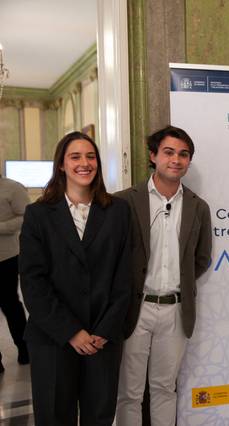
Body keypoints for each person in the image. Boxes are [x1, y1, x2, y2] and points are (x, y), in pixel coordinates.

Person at [19, 132, 131, 425]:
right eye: (75, 157)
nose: (85, 163)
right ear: (61, 165)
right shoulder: (38, 214)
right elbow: (33, 282)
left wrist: (105, 329)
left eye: (91, 156)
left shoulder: (118, 211)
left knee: (99, 416)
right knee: (55, 416)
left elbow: (125, 276)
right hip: (53, 337)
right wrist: (71, 331)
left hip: (102, 337)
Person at [115, 125, 212, 426]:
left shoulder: (198, 207)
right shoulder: (123, 202)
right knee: (129, 393)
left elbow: (202, 258)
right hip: (135, 308)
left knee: (164, 388)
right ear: (153, 156)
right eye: (169, 152)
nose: (176, 160)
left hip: (175, 310)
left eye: (184, 154)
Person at [0, 173, 31, 372]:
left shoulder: (13, 187)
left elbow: (26, 216)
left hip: (6, 258)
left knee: (9, 304)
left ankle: (24, 349)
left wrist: (1, 227)